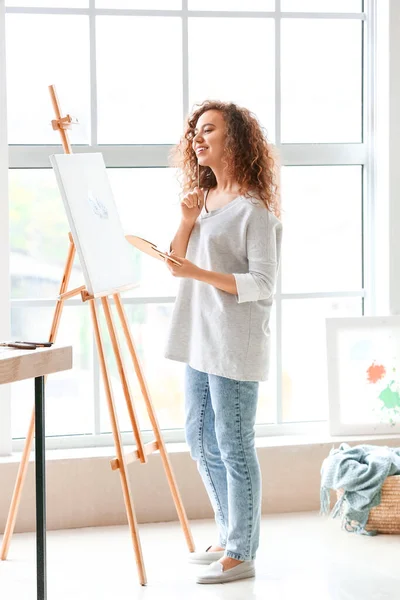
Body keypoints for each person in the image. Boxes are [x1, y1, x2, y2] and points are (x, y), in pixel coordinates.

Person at [163, 100, 282, 585]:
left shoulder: (253, 211)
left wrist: (199, 272)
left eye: (208, 128)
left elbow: (263, 283)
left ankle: (242, 550)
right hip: (199, 338)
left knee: (234, 445)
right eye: (195, 129)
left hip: (234, 343)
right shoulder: (203, 200)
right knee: (199, 438)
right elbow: (176, 262)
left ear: (234, 139)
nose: (197, 136)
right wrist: (188, 219)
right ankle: (228, 532)